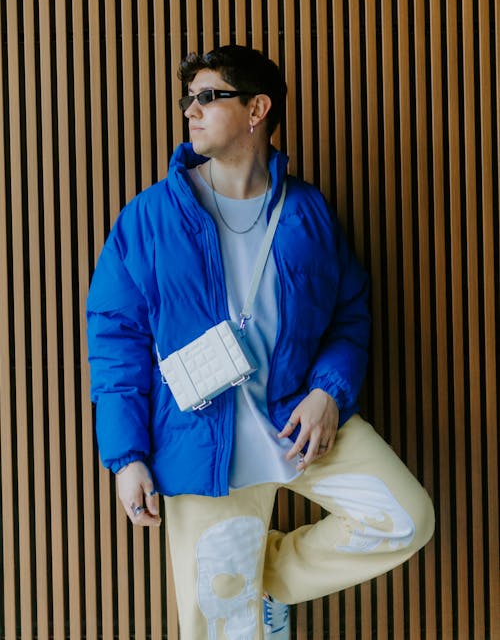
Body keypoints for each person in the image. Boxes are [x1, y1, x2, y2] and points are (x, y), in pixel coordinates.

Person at [87, 45, 434, 639]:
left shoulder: (307, 212)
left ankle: (264, 581)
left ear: (257, 109)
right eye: (187, 100)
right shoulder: (149, 219)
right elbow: (114, 341)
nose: (190, 112)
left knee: (406, 519)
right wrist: (126, 456)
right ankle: (240, 587)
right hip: (201, 445)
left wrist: (329, 391)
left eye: (207, 97)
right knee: (223, 630)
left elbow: (350, 313)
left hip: (299, 427)